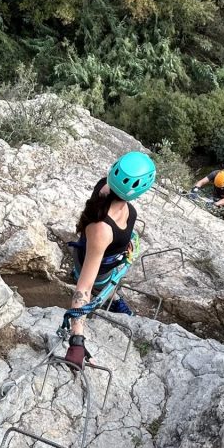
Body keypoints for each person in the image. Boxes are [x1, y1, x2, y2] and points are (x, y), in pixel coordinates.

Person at [64, 151, 156, 371]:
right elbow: (83, 289)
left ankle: (113, 300)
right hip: (99, 264)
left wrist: (125, 244)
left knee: (108, 283)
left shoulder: (105, 187)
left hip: (109, 255)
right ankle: (113, 301)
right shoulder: (102, 230)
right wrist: (77, 340)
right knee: (103, 283)